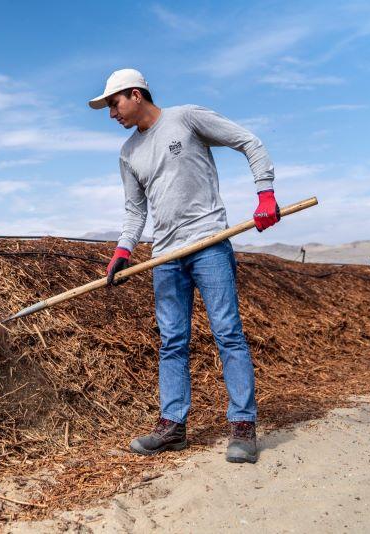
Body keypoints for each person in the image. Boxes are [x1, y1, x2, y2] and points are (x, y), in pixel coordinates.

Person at [88, 69, 280, 463]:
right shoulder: (128, 153)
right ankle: (173, 426)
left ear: (136, 94)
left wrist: (265, 194)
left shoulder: (186, 118)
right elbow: (134, 209)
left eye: (114, 103)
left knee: (228, 333)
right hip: (165, 257)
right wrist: (124, 250)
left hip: (209, 244)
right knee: (172, 341)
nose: (111, 113)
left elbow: (249, 141)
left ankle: (243, 425)